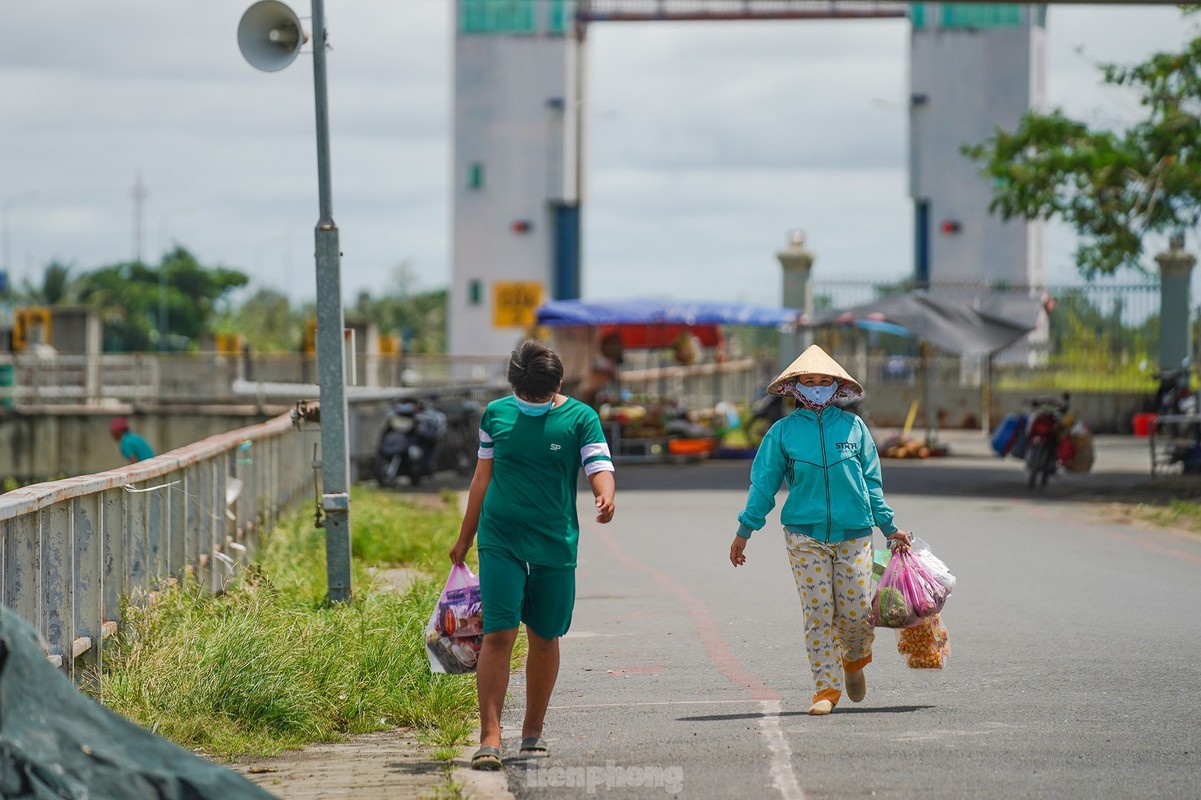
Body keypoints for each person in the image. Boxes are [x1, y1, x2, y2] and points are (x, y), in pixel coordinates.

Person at [449, 339, 616, 770]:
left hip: (554, 543)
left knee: (544, 636)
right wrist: (465, 537)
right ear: (514, 387)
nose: (533, 403)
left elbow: (599, 465)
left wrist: (605, 496)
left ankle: (532, 732)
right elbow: (481, 478)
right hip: (499, 538)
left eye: (541, 396)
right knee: (498, 635)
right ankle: (489, 737)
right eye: (526, 396)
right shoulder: (496, 415)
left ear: (558, 384)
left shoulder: (581, 418)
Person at [728, 344, 910, 716]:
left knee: (857, 611)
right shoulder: (782, 433)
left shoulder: (854, 428)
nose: (815, 387)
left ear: (835, 386)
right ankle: (825, 688)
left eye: (822, 381)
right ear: (795, 388)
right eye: (808, 382)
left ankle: (854, 661)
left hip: (855, 533)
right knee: (818, 611)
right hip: (803, 534)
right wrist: (744, 530)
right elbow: (764, 484)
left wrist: (890, 528)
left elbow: (872, 484)